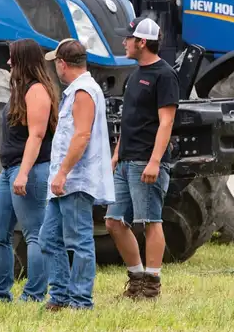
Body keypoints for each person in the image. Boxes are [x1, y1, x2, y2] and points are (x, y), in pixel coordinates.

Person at [105, 17, 179, 301]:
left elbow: (166, 122)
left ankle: (152, 285)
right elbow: (128, 120)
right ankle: (136, 278)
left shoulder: (165, 75)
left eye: (128, 38)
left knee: (150, 221)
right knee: (113, 221)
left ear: (142, 42)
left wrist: (155, 161)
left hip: (145, 163)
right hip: (125, 161)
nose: (124, 42)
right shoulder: (134, 75)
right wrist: (116, 153)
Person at [39, 38, 114, 311]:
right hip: (66, 181)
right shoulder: (79, 89)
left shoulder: (84, 91)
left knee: (79, 239)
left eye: (55, 64)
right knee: (49, 237)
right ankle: (60, 296)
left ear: (62, 63)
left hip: (75, 180)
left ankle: (81, 300)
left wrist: (62, 173)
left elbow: (81, 135)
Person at [0, 38, 59, 303]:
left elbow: (37, 135)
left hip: (29, 170)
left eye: (12, 58)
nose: (8, 63)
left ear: (23, 61)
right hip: (10, 170)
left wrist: (24, 173)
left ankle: (34, 294)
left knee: (35, 234)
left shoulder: (37, 90)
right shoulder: (21, 90)